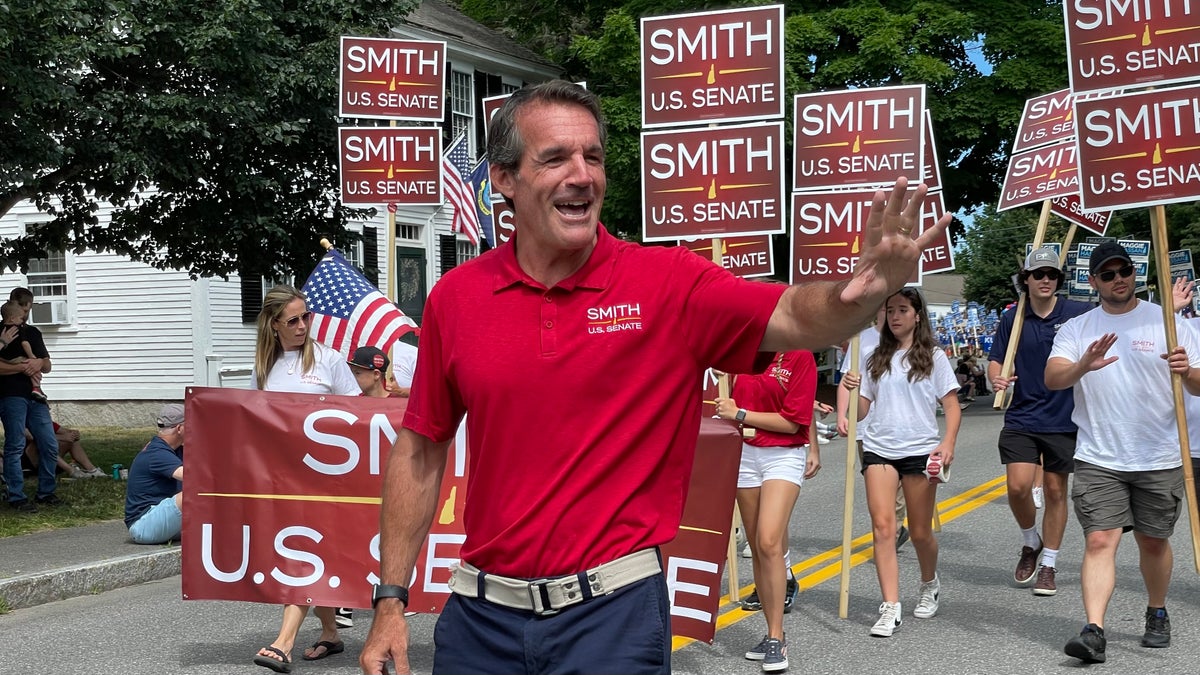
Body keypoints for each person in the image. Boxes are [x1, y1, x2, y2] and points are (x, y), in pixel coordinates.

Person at [358, 80, 948, 675]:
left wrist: (858, 295)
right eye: (556, 157)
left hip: (611, 618)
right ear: (505, 180)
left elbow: (792, 313)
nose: (582, 175)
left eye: (592, 156)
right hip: (479, 620)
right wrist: (390, 599)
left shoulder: (667, 282)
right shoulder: (457, 297)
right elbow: (422, 446)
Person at [1047, 242, 1200, 664]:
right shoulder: (1078, 328)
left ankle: (1156, 610)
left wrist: (1187, 371)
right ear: (1094, 281)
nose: (1119, 279)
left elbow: (1199, 384)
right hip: (1100, 454)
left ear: (1136, 274)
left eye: (1125, 271)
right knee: (1099, 540)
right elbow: (1053, 377)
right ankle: (1093, 630)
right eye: (1108, 274)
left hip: (1159, 454)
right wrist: (1083, 365)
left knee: (1153, 542)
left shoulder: (1167, 322)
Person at [251, 284, 360, 673]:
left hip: (327, 477)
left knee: (303, 554)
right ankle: (330, 633)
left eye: (306, 317)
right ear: (274, 325)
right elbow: (252, 421)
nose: (303, 326)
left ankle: (283, 642)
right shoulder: (264, 367)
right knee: (316, 553)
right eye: (293, 320)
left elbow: (357, 416)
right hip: (284, 479)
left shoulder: (329, 360)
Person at [841, 288, 960, 638]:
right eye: (890, 310)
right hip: (879, 447)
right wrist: (851, 391)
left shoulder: (933, 357)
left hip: (920, 451)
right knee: (884, 528)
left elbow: (951, 405)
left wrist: (947, 442)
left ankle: (928, 583)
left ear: (917, 315)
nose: (895, 317)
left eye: (903, 310)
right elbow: (862, 410)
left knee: (921, 532)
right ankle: (890, 605)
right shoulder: (873, 357)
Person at [986, 246, 1090, 597]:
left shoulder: (1078, 313)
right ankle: (1031, 542)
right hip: (1023, 414)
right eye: (1038, 275)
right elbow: (996, 361)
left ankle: (1049, 564)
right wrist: (996, 378)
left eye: (1052, 275)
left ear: (1058, 280)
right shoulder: (1012, 319)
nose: (1045, 280)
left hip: (1064, 417)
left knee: (1056, 491)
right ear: (1026, 280)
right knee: (1017, 487)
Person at [715, 350, 819, 672]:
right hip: (745, 453)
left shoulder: (800, 358)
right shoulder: (740, 355)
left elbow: (792, 422)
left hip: (783, 455)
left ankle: (777, 638)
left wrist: (740, 412)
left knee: (769, 541)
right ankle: (771, 630)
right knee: (758, 549)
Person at [838, 305, 909, 550]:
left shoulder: (908, 338)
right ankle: (888, 527)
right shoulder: (862, 339)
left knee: (900, 482)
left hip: (901, 425)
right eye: (885, 309)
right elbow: (847, 380)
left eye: (896, 310)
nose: (890, 315)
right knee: (876, 482)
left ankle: (893, 529)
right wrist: (842, 415)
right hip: (866, 425)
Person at [0, 289, 58, 513]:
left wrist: (37, 364)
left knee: (49, 443)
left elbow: (47, 365)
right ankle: (16, 496)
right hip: (11, 395)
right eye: (21, 306)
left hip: (35, 396)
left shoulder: (33, 332)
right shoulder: (2, 332)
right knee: (15, 444)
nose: (25, 311)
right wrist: (20, 367)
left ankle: (46, 492)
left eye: (28, 307)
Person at [124, 404, 185, 544]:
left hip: (159, 519)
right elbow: (194, 477)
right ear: (180, 428)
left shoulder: (175, 449)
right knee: (194, 492)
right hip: (143, 524)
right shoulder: (157, 452)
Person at [0, 301, 48, 402]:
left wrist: (41, 362)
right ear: (13, 318)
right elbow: (25, 344)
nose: (24, 319)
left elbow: (47, 366)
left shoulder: (33, 332)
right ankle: (36, 388)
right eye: (21, 316)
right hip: (10, 393)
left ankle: (37, 390)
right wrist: (31, 357)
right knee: (33, 369)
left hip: (5, 359)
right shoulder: (19, 329)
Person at [25, 422, 106, 478]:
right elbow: (31, 437)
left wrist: (73, 434)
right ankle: (72, 472)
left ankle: (92, 470)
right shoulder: (23, 420)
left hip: (50, 460)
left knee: (71, 440)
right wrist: (62, 437)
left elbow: (65, 431)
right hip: (30, 462)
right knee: (43, 443)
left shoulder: (46, 422)